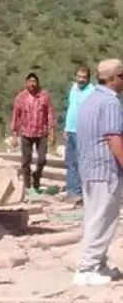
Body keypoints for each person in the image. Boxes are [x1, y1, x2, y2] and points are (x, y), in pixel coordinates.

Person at [73, 59, 123, 286]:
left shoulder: (89, 100)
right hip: (106, 169)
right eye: (121, 76)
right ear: (112, 79)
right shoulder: (110, 103)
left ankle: (99, 264)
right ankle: (87, 268)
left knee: (94, 217)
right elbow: (114, 137)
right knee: (103, 220)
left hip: (89, 168)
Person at [11, 73, 56, 190]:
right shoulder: (20, 97)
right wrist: (15, 135)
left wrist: (52, 132)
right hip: (26, 132)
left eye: (34, 81)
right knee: (26, 161)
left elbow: (50, 114)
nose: (32, 84)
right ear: (26, 83)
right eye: (30, 81)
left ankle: (37, 176)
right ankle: (27, 186)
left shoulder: (44, 96)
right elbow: (16, 116)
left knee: (42, 159)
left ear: (38, 83)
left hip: (41, 133)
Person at [63, 65, 94, 203]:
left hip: (84, 131)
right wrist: (66, 128)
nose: (81, 80)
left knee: (82, 162)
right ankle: (72, 191)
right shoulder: (73, 88)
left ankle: (82, 192)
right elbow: (71, 107)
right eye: (79, 76)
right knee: (70, 162)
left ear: (88, 78)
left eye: (84, 77)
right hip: (71, 130)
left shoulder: (92, 91)